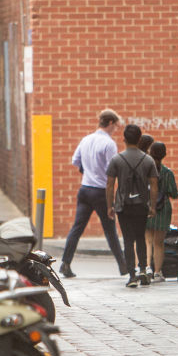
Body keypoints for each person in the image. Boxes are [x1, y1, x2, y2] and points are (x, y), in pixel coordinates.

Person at [59, 109, 128, 279]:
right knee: (110, 230)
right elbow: (112, 170)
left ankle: (65, 263)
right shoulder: (109, 144)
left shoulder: (86, 139)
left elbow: (75, 161)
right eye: (116, 126)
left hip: (84, 189)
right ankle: (123, 266)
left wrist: (87, 170)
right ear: (110, 123)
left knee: (77, 228)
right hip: (101, 191)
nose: (116, 129)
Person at [107, 124, 159, 288]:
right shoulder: (148, 160)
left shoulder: (116, 159)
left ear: (124, 139)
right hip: (141, 205)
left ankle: (131, 275)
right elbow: (154, 185)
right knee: (140, 238)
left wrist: (110, 206)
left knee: (128, 240)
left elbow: (109, 185)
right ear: (139, 139)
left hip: (123, 206)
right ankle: (143, 269)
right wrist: (152, 206)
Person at [144, 141, 178, 282]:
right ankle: (158, 272)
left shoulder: (145, 170)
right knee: (159, 243)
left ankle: (146, 268)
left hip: (147, 207)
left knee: (147, 241)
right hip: (163, 210)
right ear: (164, 154)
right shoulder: (167, 173)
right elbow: (174, 193)